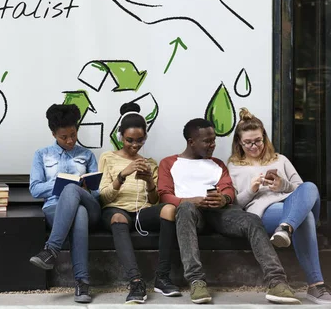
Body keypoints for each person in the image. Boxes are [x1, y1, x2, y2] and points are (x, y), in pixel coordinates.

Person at [158, 118, 299, 304]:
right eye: (207, 141)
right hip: (191, 213)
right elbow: (164, 195)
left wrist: (223, 198)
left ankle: (277, 281)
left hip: (220, 212)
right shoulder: (169, 163)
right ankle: (196, 281)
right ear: (191, 142)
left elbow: (228, 190)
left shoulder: (218, 164)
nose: (213, 145)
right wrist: (190, 200)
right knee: (184, 209)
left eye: (214, 140)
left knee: (251, 220)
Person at [228, 108, 331, 304]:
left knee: (310, 186)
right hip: (264, 211)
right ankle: (316, 286)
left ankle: (286, 228)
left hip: (292, 205)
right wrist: (252, 189)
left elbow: (304, 191)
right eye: (247, 142)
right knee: (306, 217)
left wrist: (282, 185)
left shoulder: (280, 159)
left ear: (264, 137)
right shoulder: (233, 167)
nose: (254, 146)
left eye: (258, 140)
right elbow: (235, 205)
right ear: (239, 143)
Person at [98, 102, 180, 303]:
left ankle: (162, 277)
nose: (135, 145)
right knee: (118, 217)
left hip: (142, 213)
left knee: (169, 209)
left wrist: (150, 182)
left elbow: (154, 201)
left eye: (140, 140)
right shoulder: (107, 158)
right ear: (120, 137)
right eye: (129, 140)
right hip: (116, 211)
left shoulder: (150, 163)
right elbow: (103, 197)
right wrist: (122, 175)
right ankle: (135, 281)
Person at [29, 104, 101, 304]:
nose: (70, 140)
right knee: (78, 213)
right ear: (53, 134)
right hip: (56, 208)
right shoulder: (41, 155)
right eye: (64, 137)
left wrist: (81, 187)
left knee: (74, 194)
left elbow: (97, 194)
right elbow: (35, 189)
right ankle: (82, 282)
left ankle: (51, 250)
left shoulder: (87, 155)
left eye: (73, 134)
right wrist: (61, 181)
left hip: (90, 206)